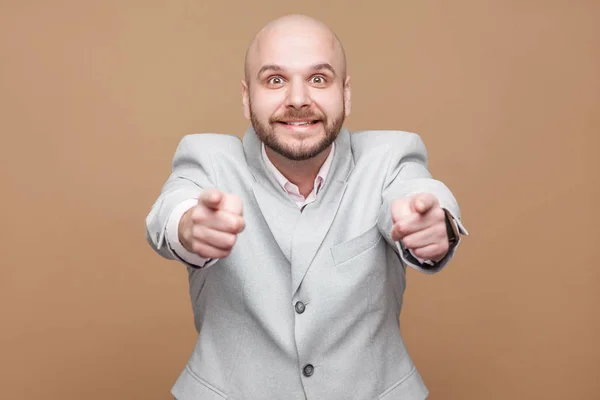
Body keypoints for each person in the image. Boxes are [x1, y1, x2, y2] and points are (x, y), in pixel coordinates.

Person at [145, 14, 468, 400]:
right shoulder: (209, 160)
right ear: (247, 97)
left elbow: (416, 191)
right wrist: (187, 226)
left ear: (345, 93)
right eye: (275, 80)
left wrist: (436, 227)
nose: (298, 100)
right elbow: (172, 208)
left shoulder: (389, 157)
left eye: (318, 79)